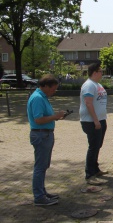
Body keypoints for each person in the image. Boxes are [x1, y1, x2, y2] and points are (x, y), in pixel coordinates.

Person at [27, 74, 66, 206]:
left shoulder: (42, 97)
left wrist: (56, 116)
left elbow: (43, 116)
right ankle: (39, 197)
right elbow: (38, 120)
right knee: (40, 166)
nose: (54, 92)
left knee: (43, 166)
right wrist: (55, 116)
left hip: (45, 134)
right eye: (53, 89)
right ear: (45, 86)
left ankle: (42, 192)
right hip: (41, 135)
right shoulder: (38, 98)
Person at [80, 62, 109, 185]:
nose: (102, 73)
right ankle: (89, 174)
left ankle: (95, 169)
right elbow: (88, 103)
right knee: (93, 147)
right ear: (95, 72)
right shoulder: (89, 85)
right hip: (91, 121)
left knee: (97, 145)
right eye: (101, 71)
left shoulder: (97, 84)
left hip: (100, 120)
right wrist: (96, 121)